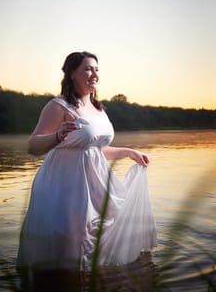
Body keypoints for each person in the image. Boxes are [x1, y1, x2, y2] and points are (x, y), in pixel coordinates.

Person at [17, 51, 157, 272]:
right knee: (74, 237)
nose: (94, 74)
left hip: (96, 181)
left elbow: (96, 150)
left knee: (99, 230)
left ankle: (92, 278)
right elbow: (33, 146)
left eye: (97, 69)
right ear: (72, 73)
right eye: (88, 69)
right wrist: (57, 136)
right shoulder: (59, 106)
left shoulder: (98, 109)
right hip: (66, 183)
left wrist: (128, 152)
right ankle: (65, 278)